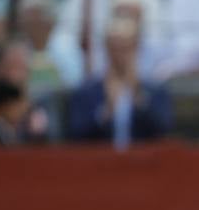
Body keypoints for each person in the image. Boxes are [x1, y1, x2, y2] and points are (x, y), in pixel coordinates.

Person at [65, 16, 171, 147]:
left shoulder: (155, 91)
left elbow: (163, 131)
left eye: (126, 47)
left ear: (137, 48)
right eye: (115, 48)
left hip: (144, 163)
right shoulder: (87, 91)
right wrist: (106, 111)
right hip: (99, 162)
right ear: (107, 48)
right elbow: (76, 136)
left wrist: (138, 97)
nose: (120, 54)